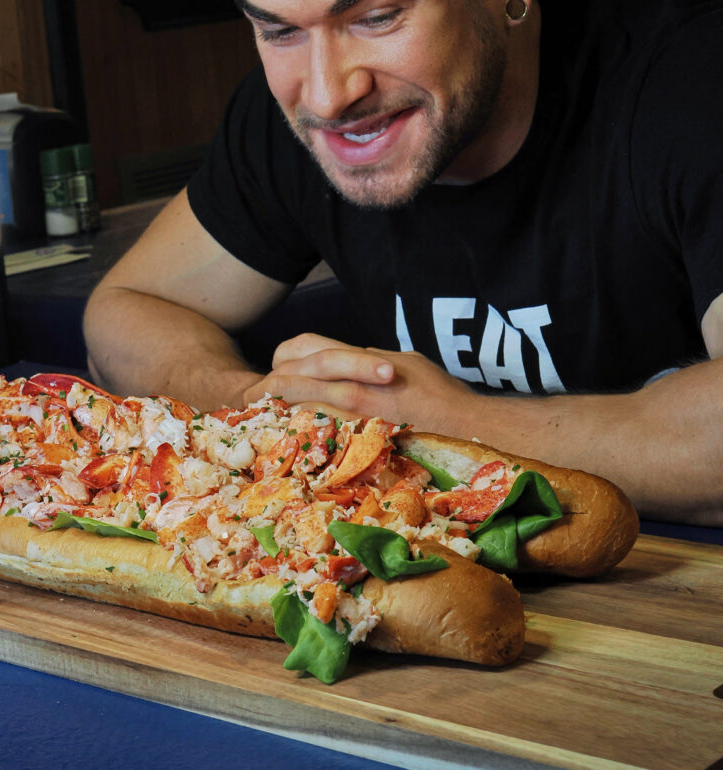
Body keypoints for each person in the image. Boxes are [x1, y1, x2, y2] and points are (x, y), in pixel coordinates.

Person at [83, 0, 723, 525]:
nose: (331, 95)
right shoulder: (297, 116)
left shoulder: (691, 78)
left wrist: (453, 426)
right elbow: (127, 312)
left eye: (378, 17)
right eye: (278, 31)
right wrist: (261, 409)